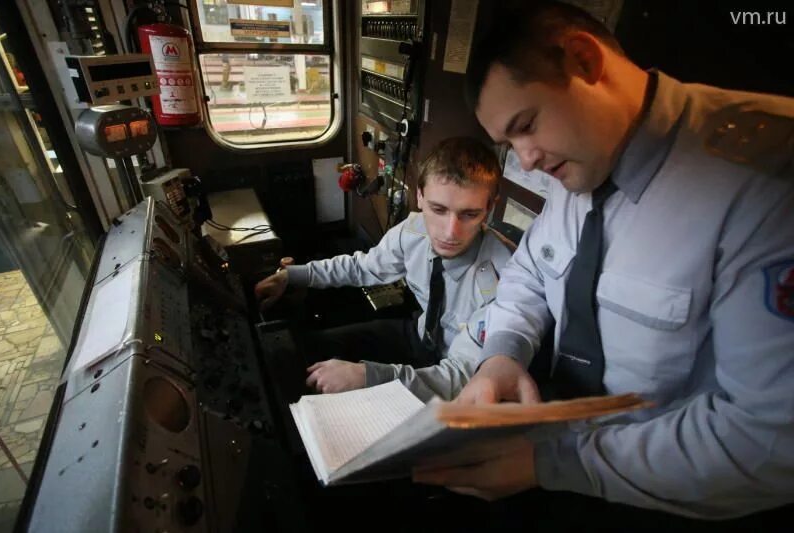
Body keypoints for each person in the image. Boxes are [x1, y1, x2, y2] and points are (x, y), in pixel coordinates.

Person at [413, 0, 794, 523]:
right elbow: (529, 275)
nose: (525, 160)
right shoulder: (580, 160)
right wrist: (502, 355)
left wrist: (553, 464)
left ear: (584, 61)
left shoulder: (766, 176)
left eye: (526, 125)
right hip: (560, 444)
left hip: (675, 490)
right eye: (508, 143)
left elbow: (769, 439)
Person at [254, 137, 514, 399]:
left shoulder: (504, 280)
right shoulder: (413, 232)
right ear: (420, 196)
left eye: (469, 214)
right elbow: (362, 267)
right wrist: (293, 276)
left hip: (455, 373)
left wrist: (369, 376)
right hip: (421, 335)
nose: (450, 231)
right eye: (439, 209)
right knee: (305, 348)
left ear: (489, 208)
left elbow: (460, 378)